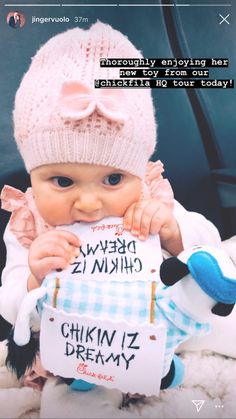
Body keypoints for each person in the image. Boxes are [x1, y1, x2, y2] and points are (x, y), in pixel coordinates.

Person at [0, 22, 221, 402]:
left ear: (138, 172)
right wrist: (35, 276)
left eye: (114, 179)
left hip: (156, 331)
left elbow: (209, 249)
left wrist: (171, 229)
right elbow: (10, 304)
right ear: (33, 176)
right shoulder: (32, 222)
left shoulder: (149, 201)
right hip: (78, 350)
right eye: (63, 182)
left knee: (221, 323)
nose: (88, 204)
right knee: (66, 400)